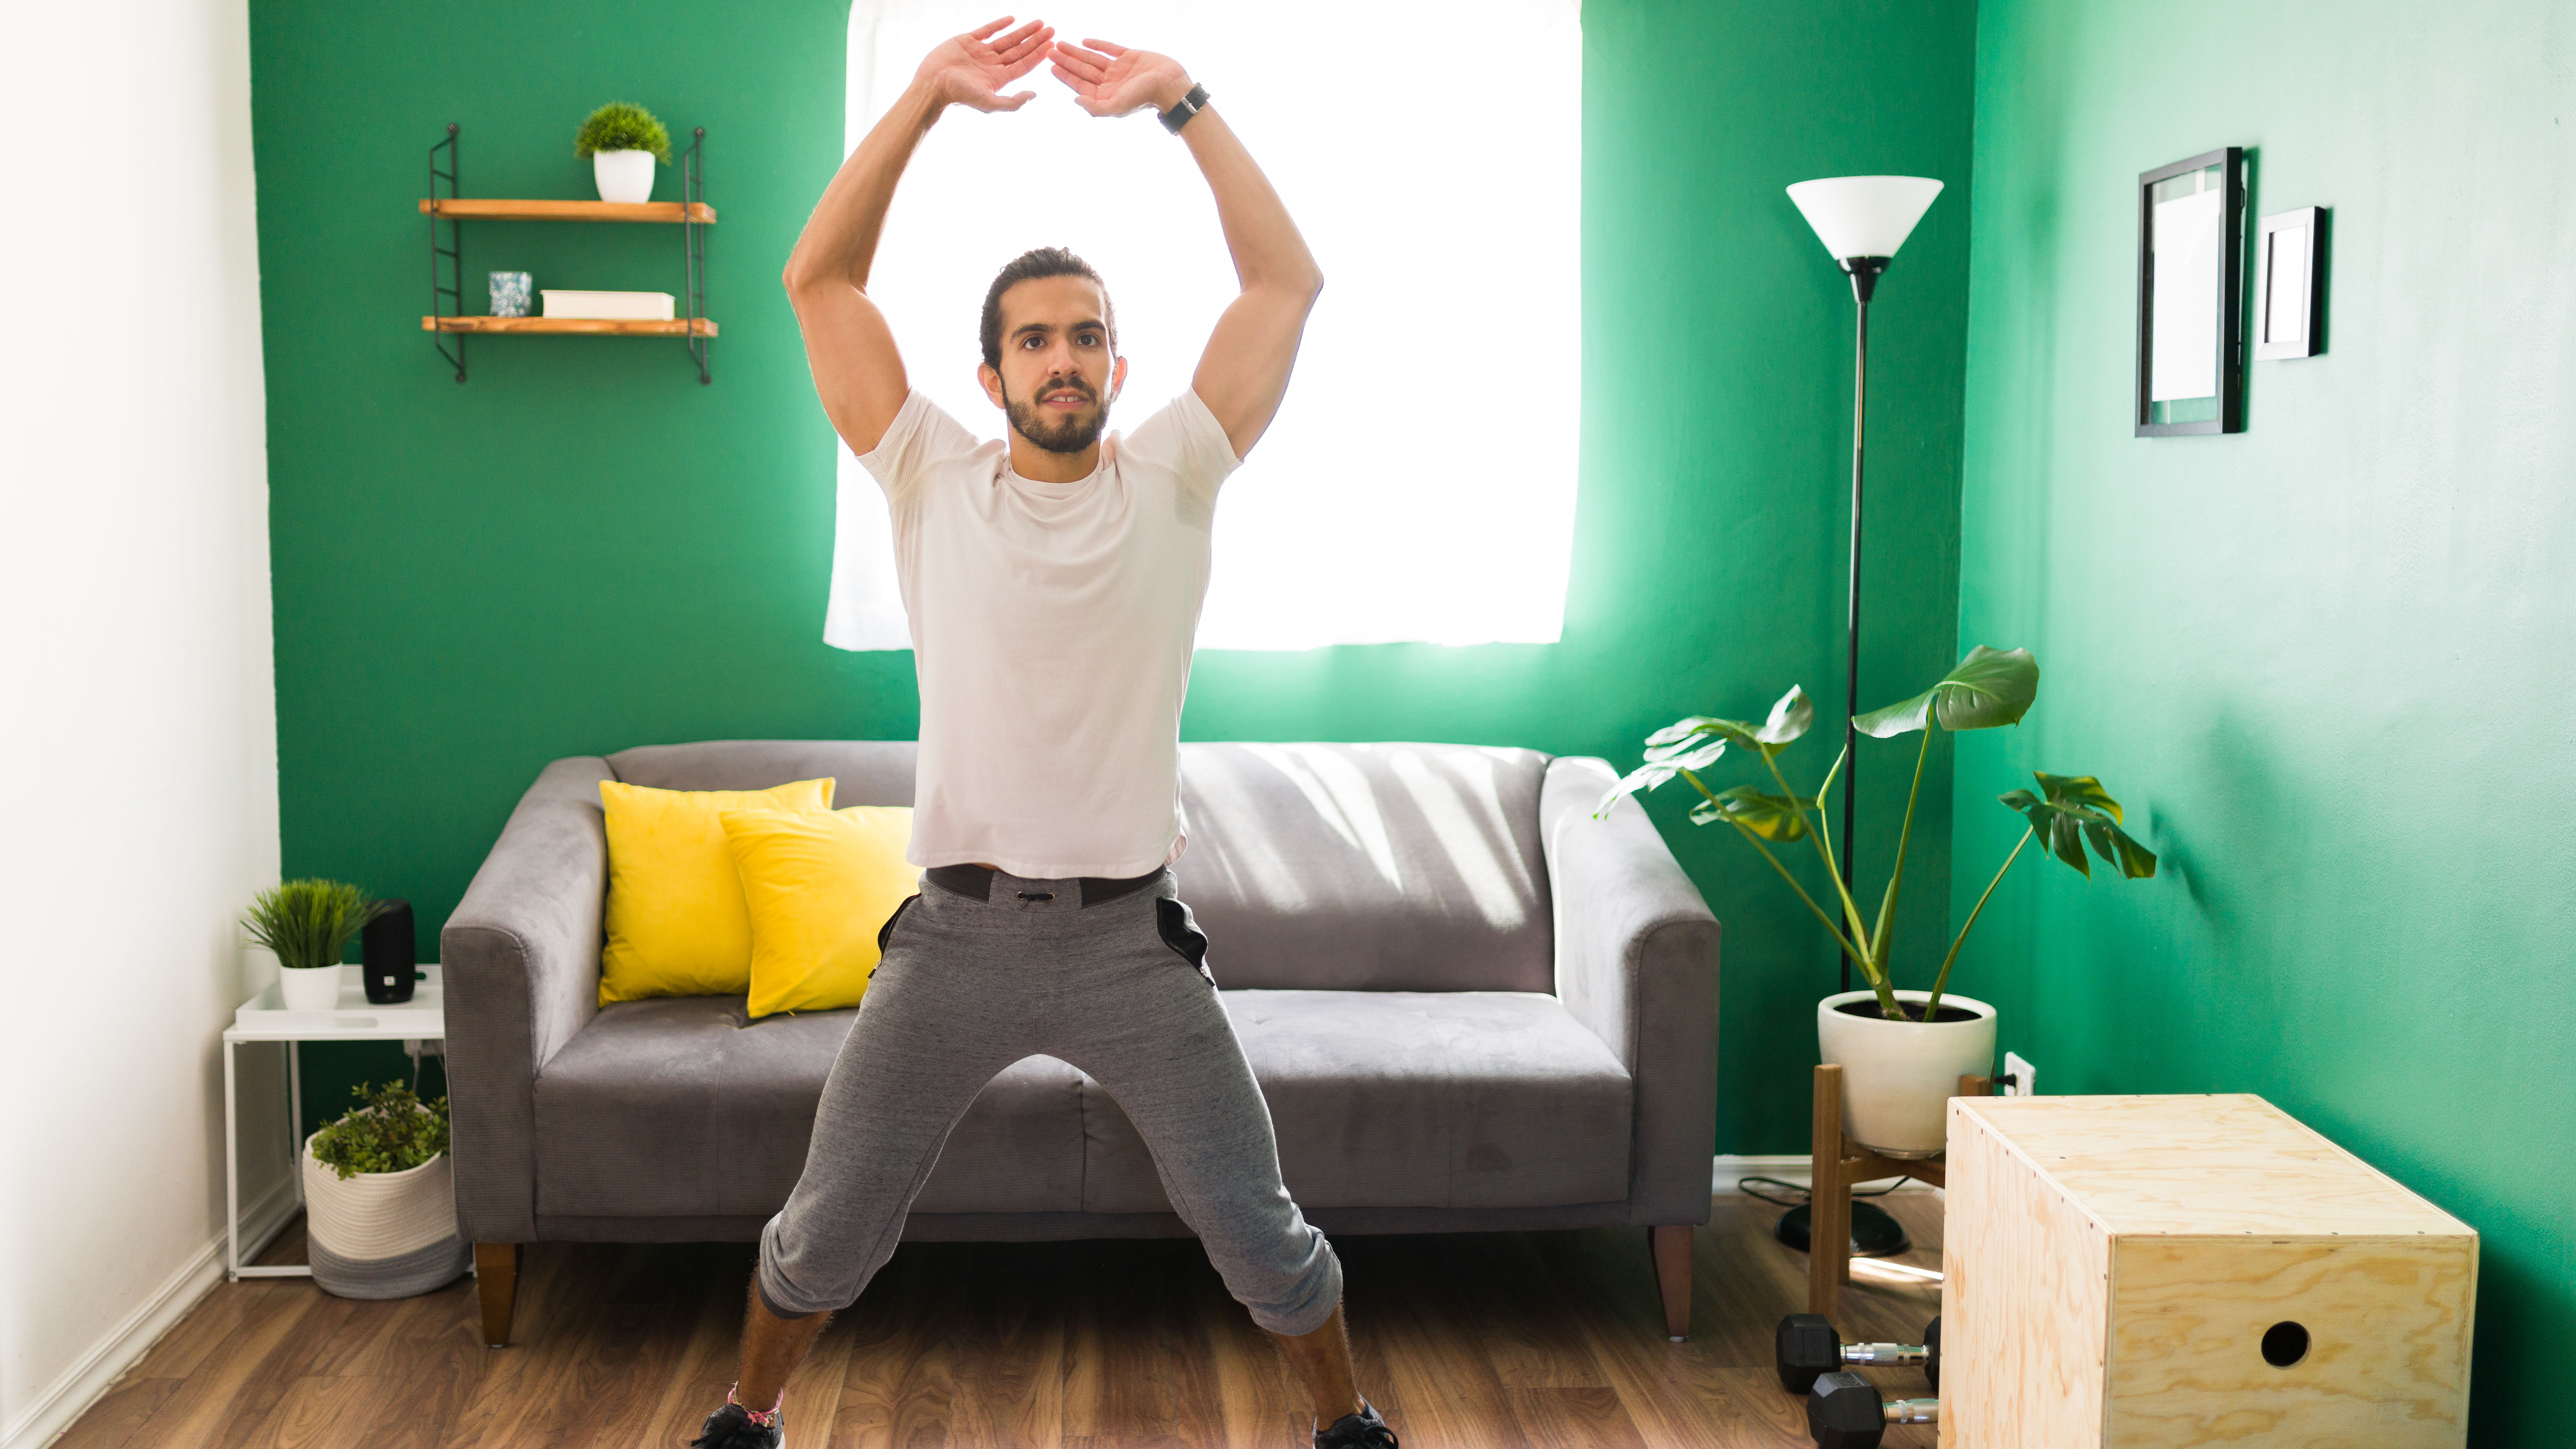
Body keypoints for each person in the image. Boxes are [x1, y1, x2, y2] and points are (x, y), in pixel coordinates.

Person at [688, 18, 1397, 1449]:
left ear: (1119, 372)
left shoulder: (1178, 476)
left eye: (1085, 336)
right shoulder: (928, 475)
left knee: (1260, 1235)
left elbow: (1287, 281)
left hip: (1129, 943)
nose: (1061, 357)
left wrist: (1182, 105)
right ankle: (744, 1421)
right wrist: (924, 99)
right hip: (953, 941)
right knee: (827, 1234)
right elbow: (815, 278)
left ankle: (1349, 1427)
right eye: (1033, 339)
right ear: (995, 374)